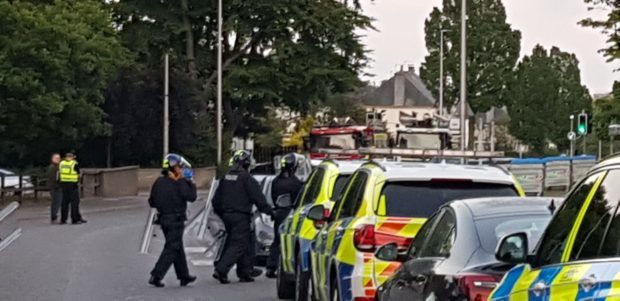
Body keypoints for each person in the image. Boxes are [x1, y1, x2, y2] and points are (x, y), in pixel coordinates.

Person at [212, 150, 274, 284]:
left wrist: (222, 214)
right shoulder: (247, 179)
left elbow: (215, 200)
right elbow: (259, 199)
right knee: (239, 243)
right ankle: (221, 269)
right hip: (240, 215)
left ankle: (245, 272)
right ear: (247, 163)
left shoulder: (226, 177)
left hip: (227, 215)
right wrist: (270, 212)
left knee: (246, 242)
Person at [148, 153, 198, 288]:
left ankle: (184, 276)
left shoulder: (158, 182)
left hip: (163, 219)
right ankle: (156, 275)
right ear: (175, 168)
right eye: (180, 167)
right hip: (176, 219)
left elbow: (151, 202)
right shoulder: (180, 182)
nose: (181, 170)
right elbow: (191, 197)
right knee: (172, 247)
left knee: (177, 246)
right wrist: (191, 182)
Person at [265, 153, 303, 278]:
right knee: (288, 240)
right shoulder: (295, 182)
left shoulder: (276, 181)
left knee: (277, 240)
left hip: (279, 212)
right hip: (290, 212)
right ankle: (286, 264)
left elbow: (273, 196)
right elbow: (298, 199)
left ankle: (271, 265)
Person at [59, 153, 86, 225]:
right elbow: (78, 174)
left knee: (64, 203)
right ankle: (75, 219)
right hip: (72, 185)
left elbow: (59, 173)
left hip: (64, 184)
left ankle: (63, 219)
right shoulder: (74, 164)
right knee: (74, 203)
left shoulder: (61, 163)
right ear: (72, 157)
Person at [47, 153, 63, 224]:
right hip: (55, 188)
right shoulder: (53, 167)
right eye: (56, 158)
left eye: (59, 158)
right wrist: (58, 185)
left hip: (56, 187)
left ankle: (54, 217)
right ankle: (54, 218)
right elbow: (54, 178)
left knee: (57, 203)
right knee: (56, 203)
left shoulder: (57, 167)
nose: (58, 159)